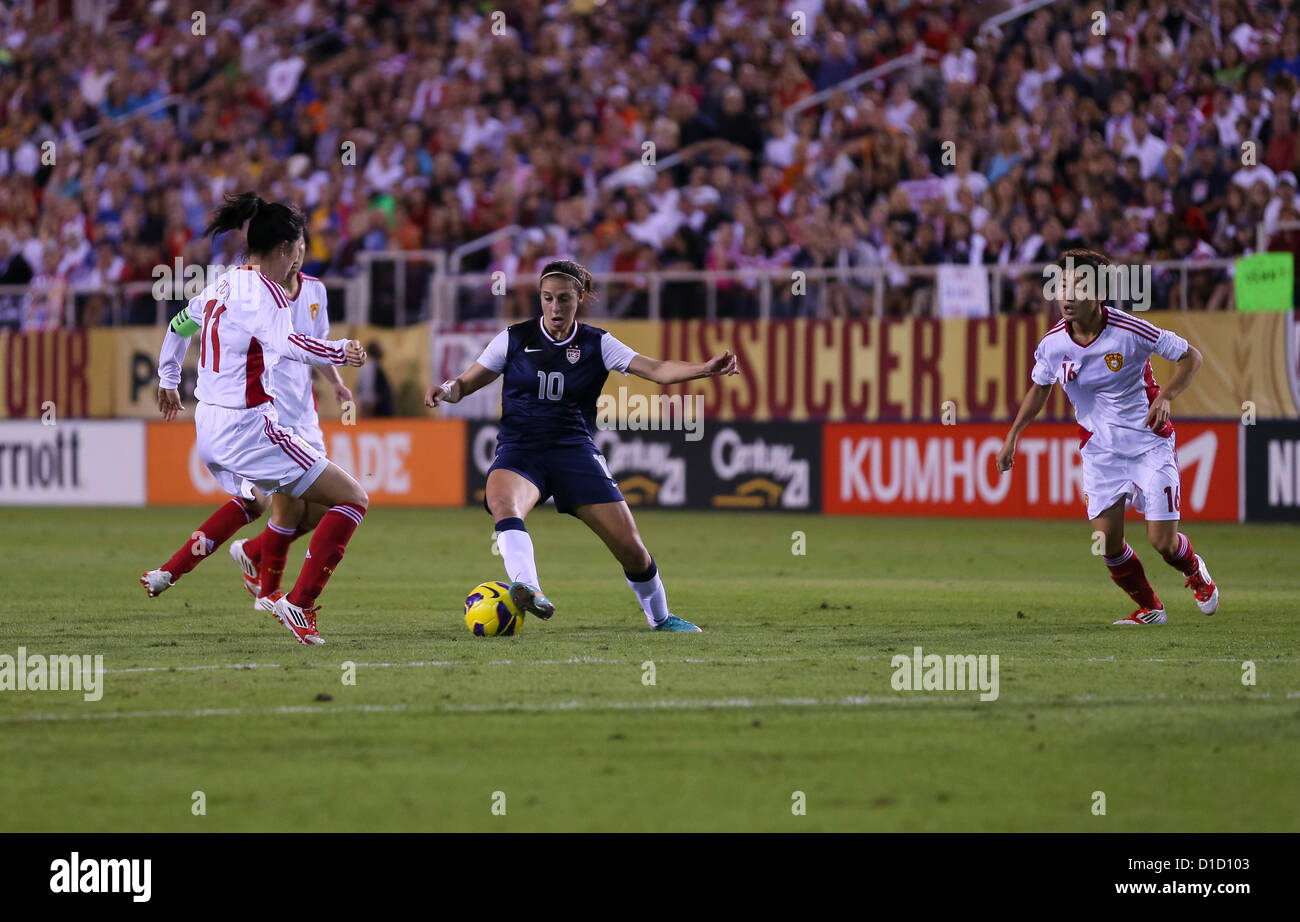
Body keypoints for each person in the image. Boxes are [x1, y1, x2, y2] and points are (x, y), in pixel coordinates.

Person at [425, 259, 739, 632]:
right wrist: (444, 390)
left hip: (575, 454)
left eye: (564, 299)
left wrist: (705, 368)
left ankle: (661, 618)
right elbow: (465, 384)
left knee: (631, 550)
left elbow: (655, 370)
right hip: (521, 451)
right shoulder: (514, 338)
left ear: (581, 298)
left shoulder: (598, 343)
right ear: (539, 300)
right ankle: (528, 587)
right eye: (547, 299)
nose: (555, 308)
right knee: (502, 502)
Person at [141, 192, 368, 645]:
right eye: (296, 249)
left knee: (253, 502)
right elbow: (288, 345)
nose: (296, 260)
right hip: (249, 426)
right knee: (353, 499)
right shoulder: (268, 294)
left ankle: (169, 573)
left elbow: (178, 325)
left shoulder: (225, 283)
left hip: (208, 424)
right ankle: (297, 606)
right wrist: (342, 350)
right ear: (285, 249)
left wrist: (168, 379)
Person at [997, 249, 1219, 625]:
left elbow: (1192, 357)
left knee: (1163, 543)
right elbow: (1039, 389)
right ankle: (1151, 608)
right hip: (1101, 452)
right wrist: (1012, 436)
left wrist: (1165, 397)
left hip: (1150, 443)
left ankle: (1195, 571)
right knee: (1107, 543)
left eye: (1078, 286)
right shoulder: (1053, 344)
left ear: (1099, 293)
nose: (1067, 295)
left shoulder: (1131, 331)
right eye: (1063, 285)